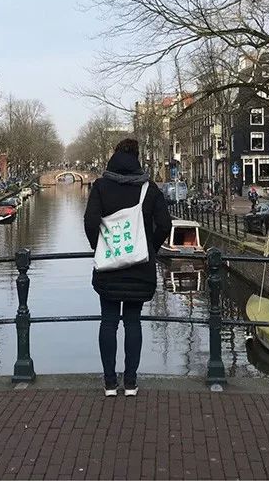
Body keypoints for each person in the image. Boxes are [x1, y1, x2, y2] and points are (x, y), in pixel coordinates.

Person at [84, 138, 172, 397]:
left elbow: (90, 222)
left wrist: (101, 248)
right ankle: (131, 382)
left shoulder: (101, 187)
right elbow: (165, 225)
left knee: (108, 322)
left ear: (114, 156)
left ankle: (110, 383)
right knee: (133, 323)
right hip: (140, 269)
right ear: (137, 157)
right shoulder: (149, 189)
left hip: (109, 268)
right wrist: (149, 250)